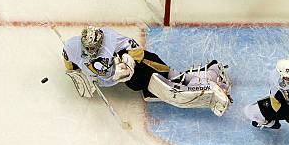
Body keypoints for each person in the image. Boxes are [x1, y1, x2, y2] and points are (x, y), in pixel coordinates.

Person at [62, 26, 232, 116]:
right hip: (129, 81)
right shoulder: (72, 45)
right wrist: (76, 74)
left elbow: (137, 51)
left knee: (169, 79)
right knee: (150, 85)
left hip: (141, 67)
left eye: (94, 48)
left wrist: (128, 64)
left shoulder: (112, 40)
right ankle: (208, 74)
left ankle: (210, 78)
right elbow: (67, 58)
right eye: (88, 48)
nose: (90, 52)